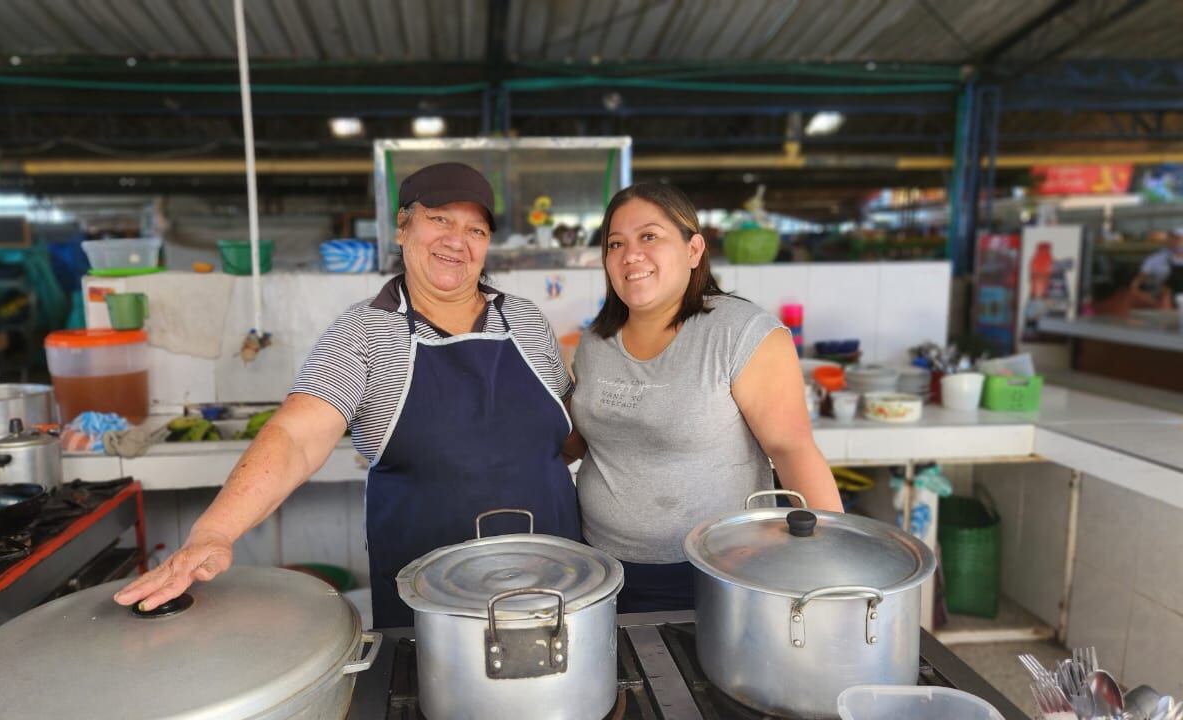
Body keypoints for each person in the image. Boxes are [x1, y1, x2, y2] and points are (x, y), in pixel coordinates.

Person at [115, 163, 581, 628]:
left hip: (554, 583)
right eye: (440, 219)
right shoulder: (364, 331)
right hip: (433, 608)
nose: (456, 240)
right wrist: (214, 531)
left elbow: (570, 433)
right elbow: (297, 438)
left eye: (475, 229)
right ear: (403, 228)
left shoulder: (525, 321)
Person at [565, 182, 842, 613]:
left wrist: (833, 573)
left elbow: (792, 449)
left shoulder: (739, 332)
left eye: (649, 237)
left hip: (716, 570)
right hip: (601, 570)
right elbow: (585, 439)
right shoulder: (595, 343)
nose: (630, 254)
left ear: (694, 250)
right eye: (615, 243)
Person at [1129, 226, 1183, 309]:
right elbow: (1138, 281)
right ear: (1169, 239)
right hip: (1162, 297)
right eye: (1174, 238)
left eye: (1179, 238)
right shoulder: (1156, 258)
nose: (1177, 241)